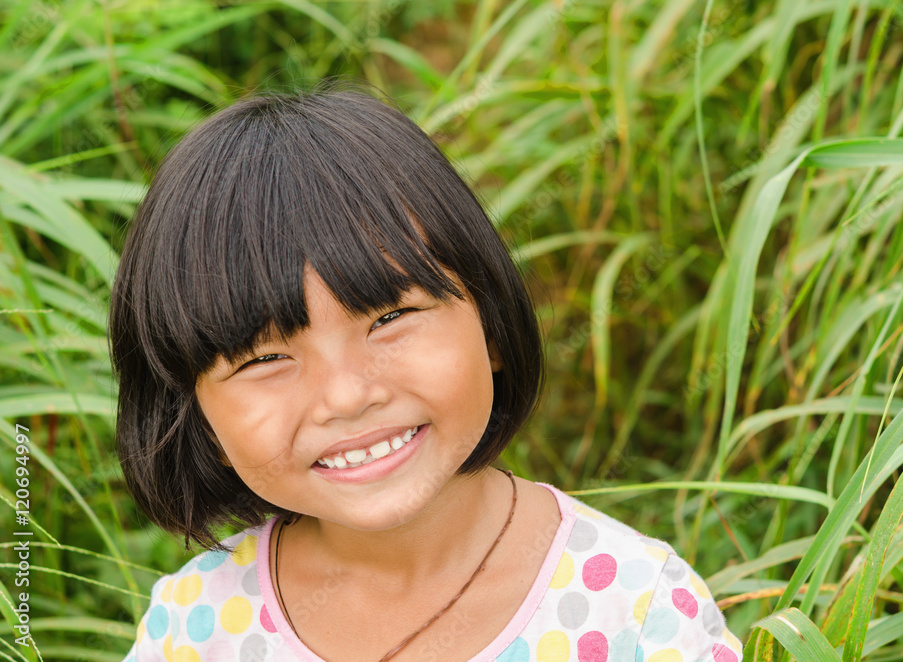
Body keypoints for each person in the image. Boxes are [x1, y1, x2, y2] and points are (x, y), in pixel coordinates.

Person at [111, 82, 743, 662]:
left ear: (491, 323)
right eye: (266, 359)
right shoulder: (194, 629)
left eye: (390, 318)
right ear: (194, 415)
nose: (348, 395)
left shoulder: (636, 610)